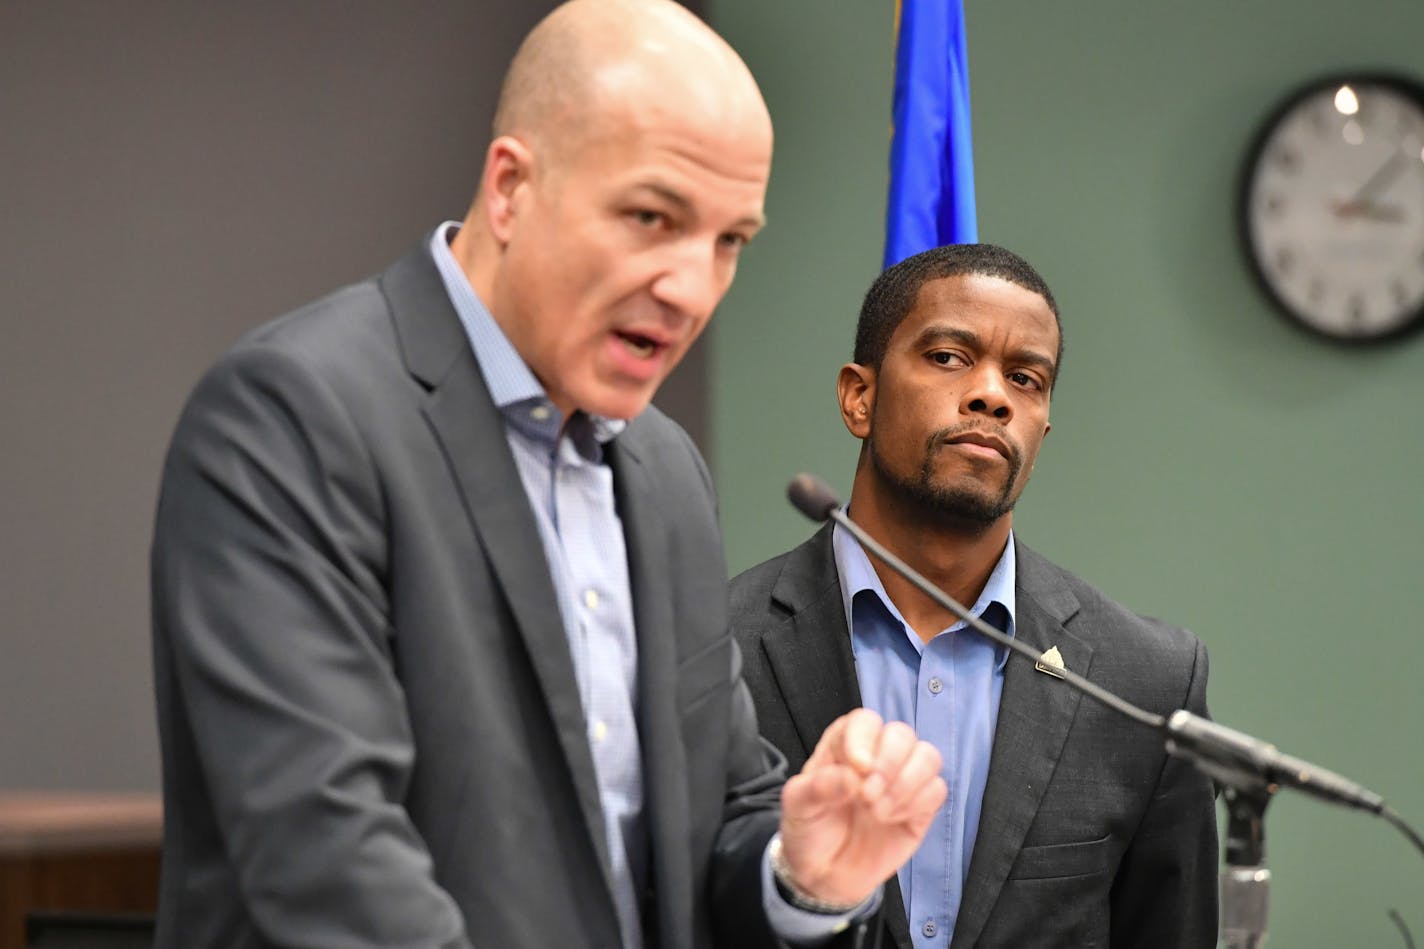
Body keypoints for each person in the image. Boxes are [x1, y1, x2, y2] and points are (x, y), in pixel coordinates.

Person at [149, 2, 948, 947]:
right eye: (653, 217)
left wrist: (803, 875)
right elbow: (330, 867)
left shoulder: (661, 469)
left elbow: (717, 815)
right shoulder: (294, 415)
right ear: (510, 188)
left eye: (730, 240)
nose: (693, 286)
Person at [729, 244, 1219, 948]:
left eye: (1026, 377)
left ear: (1042, 425)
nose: (992, 395)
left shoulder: (1144, 681)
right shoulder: (717, 648)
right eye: (949, 357)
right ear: (858, 396)